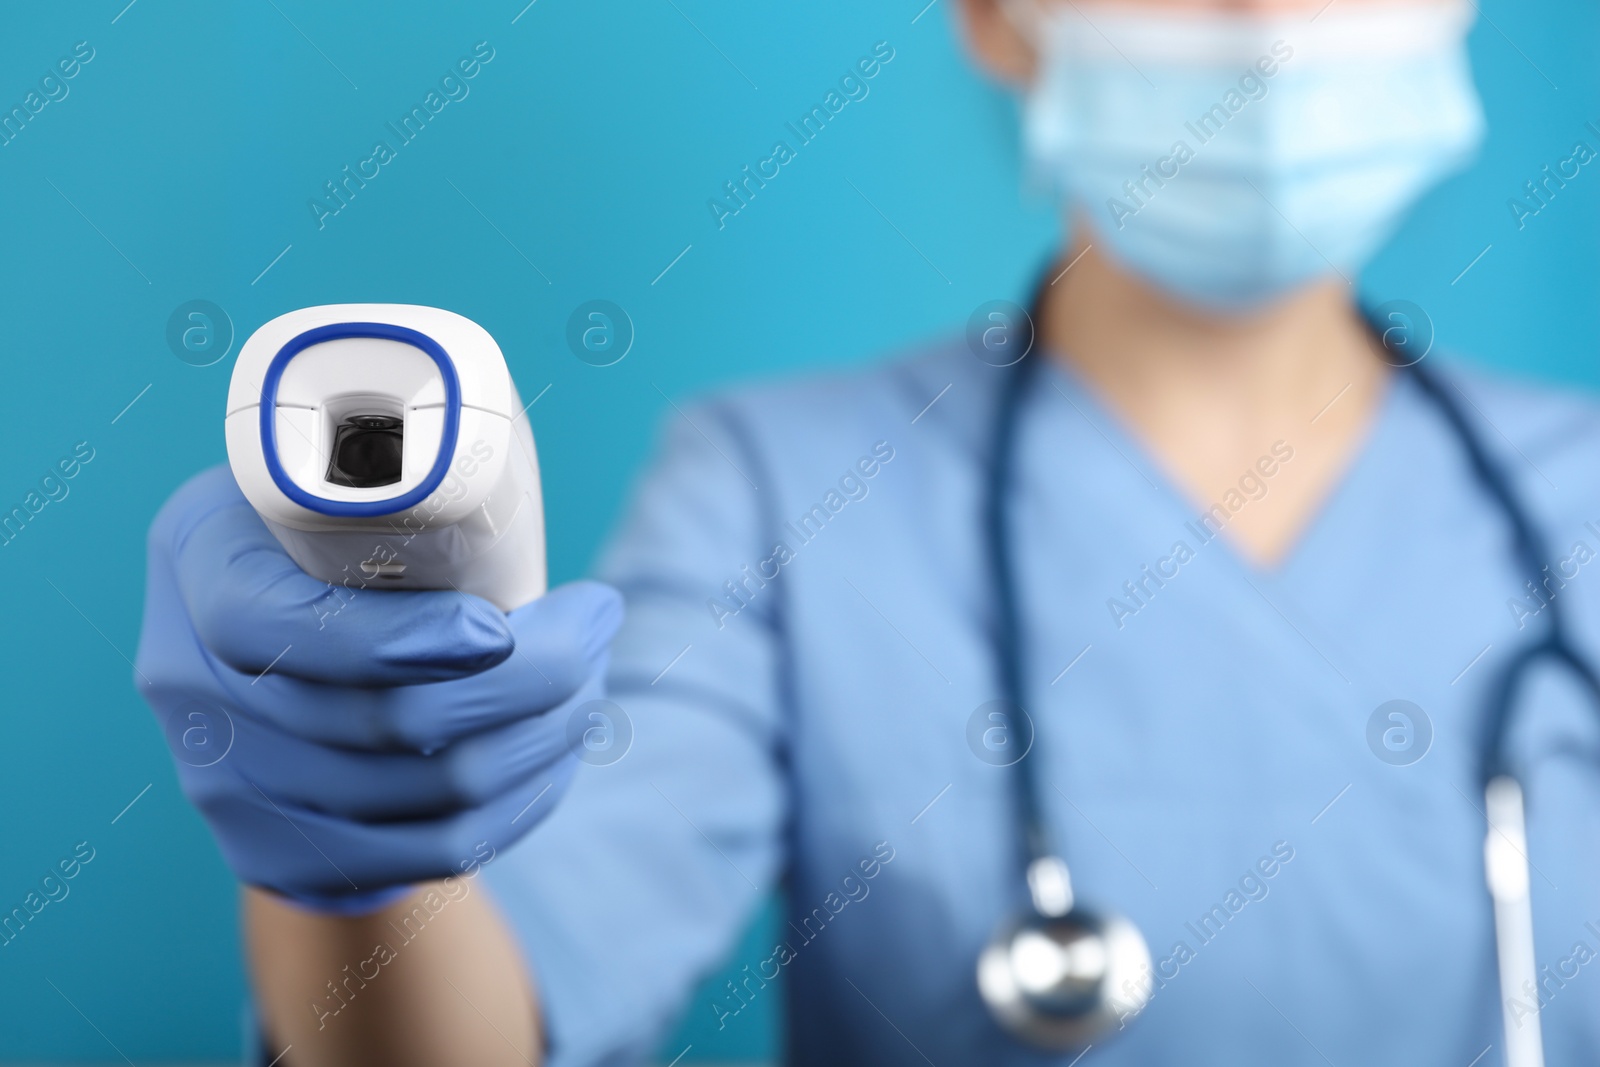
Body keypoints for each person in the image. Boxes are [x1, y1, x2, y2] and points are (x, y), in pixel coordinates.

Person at [136, 0, 1600, 1064]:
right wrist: (358, 846)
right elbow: (482, 1034)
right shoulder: (781, 491)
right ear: (996, 19)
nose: (1262, 13)